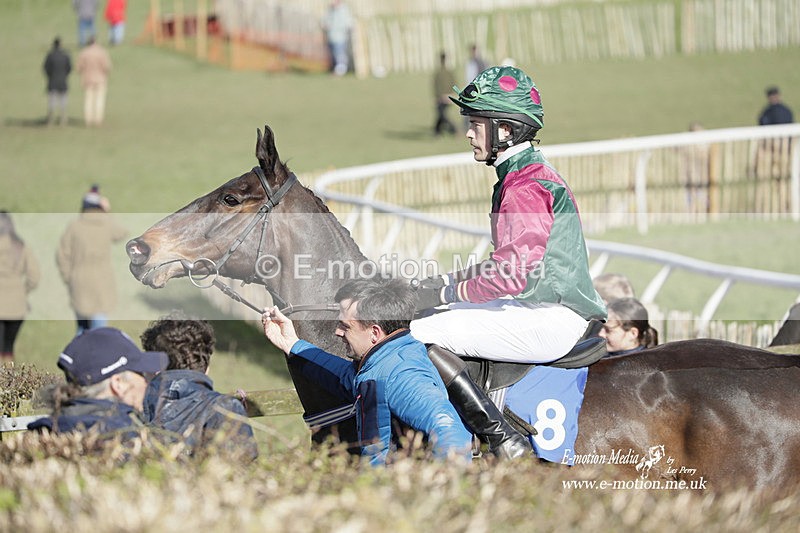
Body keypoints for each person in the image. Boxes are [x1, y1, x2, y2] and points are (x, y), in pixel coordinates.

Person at [410, 66, 606, 459]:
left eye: (476, 123)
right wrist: (439, 284)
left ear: (504, 129)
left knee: (419, 333)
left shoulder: (526, 184)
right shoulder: (520, 174)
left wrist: (446, 290)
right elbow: (501, 265)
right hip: (541, 309)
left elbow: (510, 275)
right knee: (439, 310)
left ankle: (501, 438)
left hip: (552, 317)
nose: (467, 132)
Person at [261, 278, 472, 465]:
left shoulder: (402, 376)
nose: (337, 332)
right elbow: (343, 376)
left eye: (346, 326)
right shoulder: (382, 360)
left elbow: (453, 435)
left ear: (374, 333)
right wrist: (292, 344)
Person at [140, 315, 258, 460]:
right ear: (207, 367)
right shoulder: (225, 409)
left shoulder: (128, 409)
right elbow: (242, 470)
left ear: (154, 369)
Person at [28, 327, 168, 434]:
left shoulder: (45, 431)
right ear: (118, 384)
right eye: (143, 374)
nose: (147, 383)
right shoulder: (128, 439)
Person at [56, 185, 127, 335]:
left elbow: (62, 255)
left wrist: (69, 277)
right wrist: (108, 212)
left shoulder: (74, 226)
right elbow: (122, 232)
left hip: (78, 282)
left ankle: (76, 357)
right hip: (101, 283)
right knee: (99, 332)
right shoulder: (106, 224)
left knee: (81, 329)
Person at [0, 212, 40, 365]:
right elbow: (34, 276)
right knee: (8, 347)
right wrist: (23, 292)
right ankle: (10, 381)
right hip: (16, 306)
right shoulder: (20, 246)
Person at [76, 36, 112, 127]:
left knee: (88, 100)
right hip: (100, 79)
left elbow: (79, 68)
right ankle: (98, 119)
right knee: (99, 100)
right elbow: (107, 67)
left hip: (88, 79)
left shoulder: (84, 53)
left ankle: (88, 119)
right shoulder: (102, 52)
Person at [43, 37, 72, 126]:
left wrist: (50, 76)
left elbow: (45, 68)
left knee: (52, 102)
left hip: (52, 81)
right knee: (63, 102)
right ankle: (63, 119)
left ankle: (50, 119)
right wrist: (65, 75)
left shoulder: (50, 55)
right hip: (63, 81)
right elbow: (69, 68)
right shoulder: (65, 55)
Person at [322, 0, 353, 76]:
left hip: (340, 37)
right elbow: (325, 20)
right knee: (334, 55)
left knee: (340, 54)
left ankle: (340, 71)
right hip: (331, 36)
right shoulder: (330, 10)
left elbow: (348, 23)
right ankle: (336, 70)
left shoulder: (344, 10)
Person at [433, 51, 457, 136]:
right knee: (441, 114)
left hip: (445, 97)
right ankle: (437, 132)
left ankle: (453, 129)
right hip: (443, 97)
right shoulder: (442, 72)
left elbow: (452, 84)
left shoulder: (444, 72)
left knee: (442, 115)